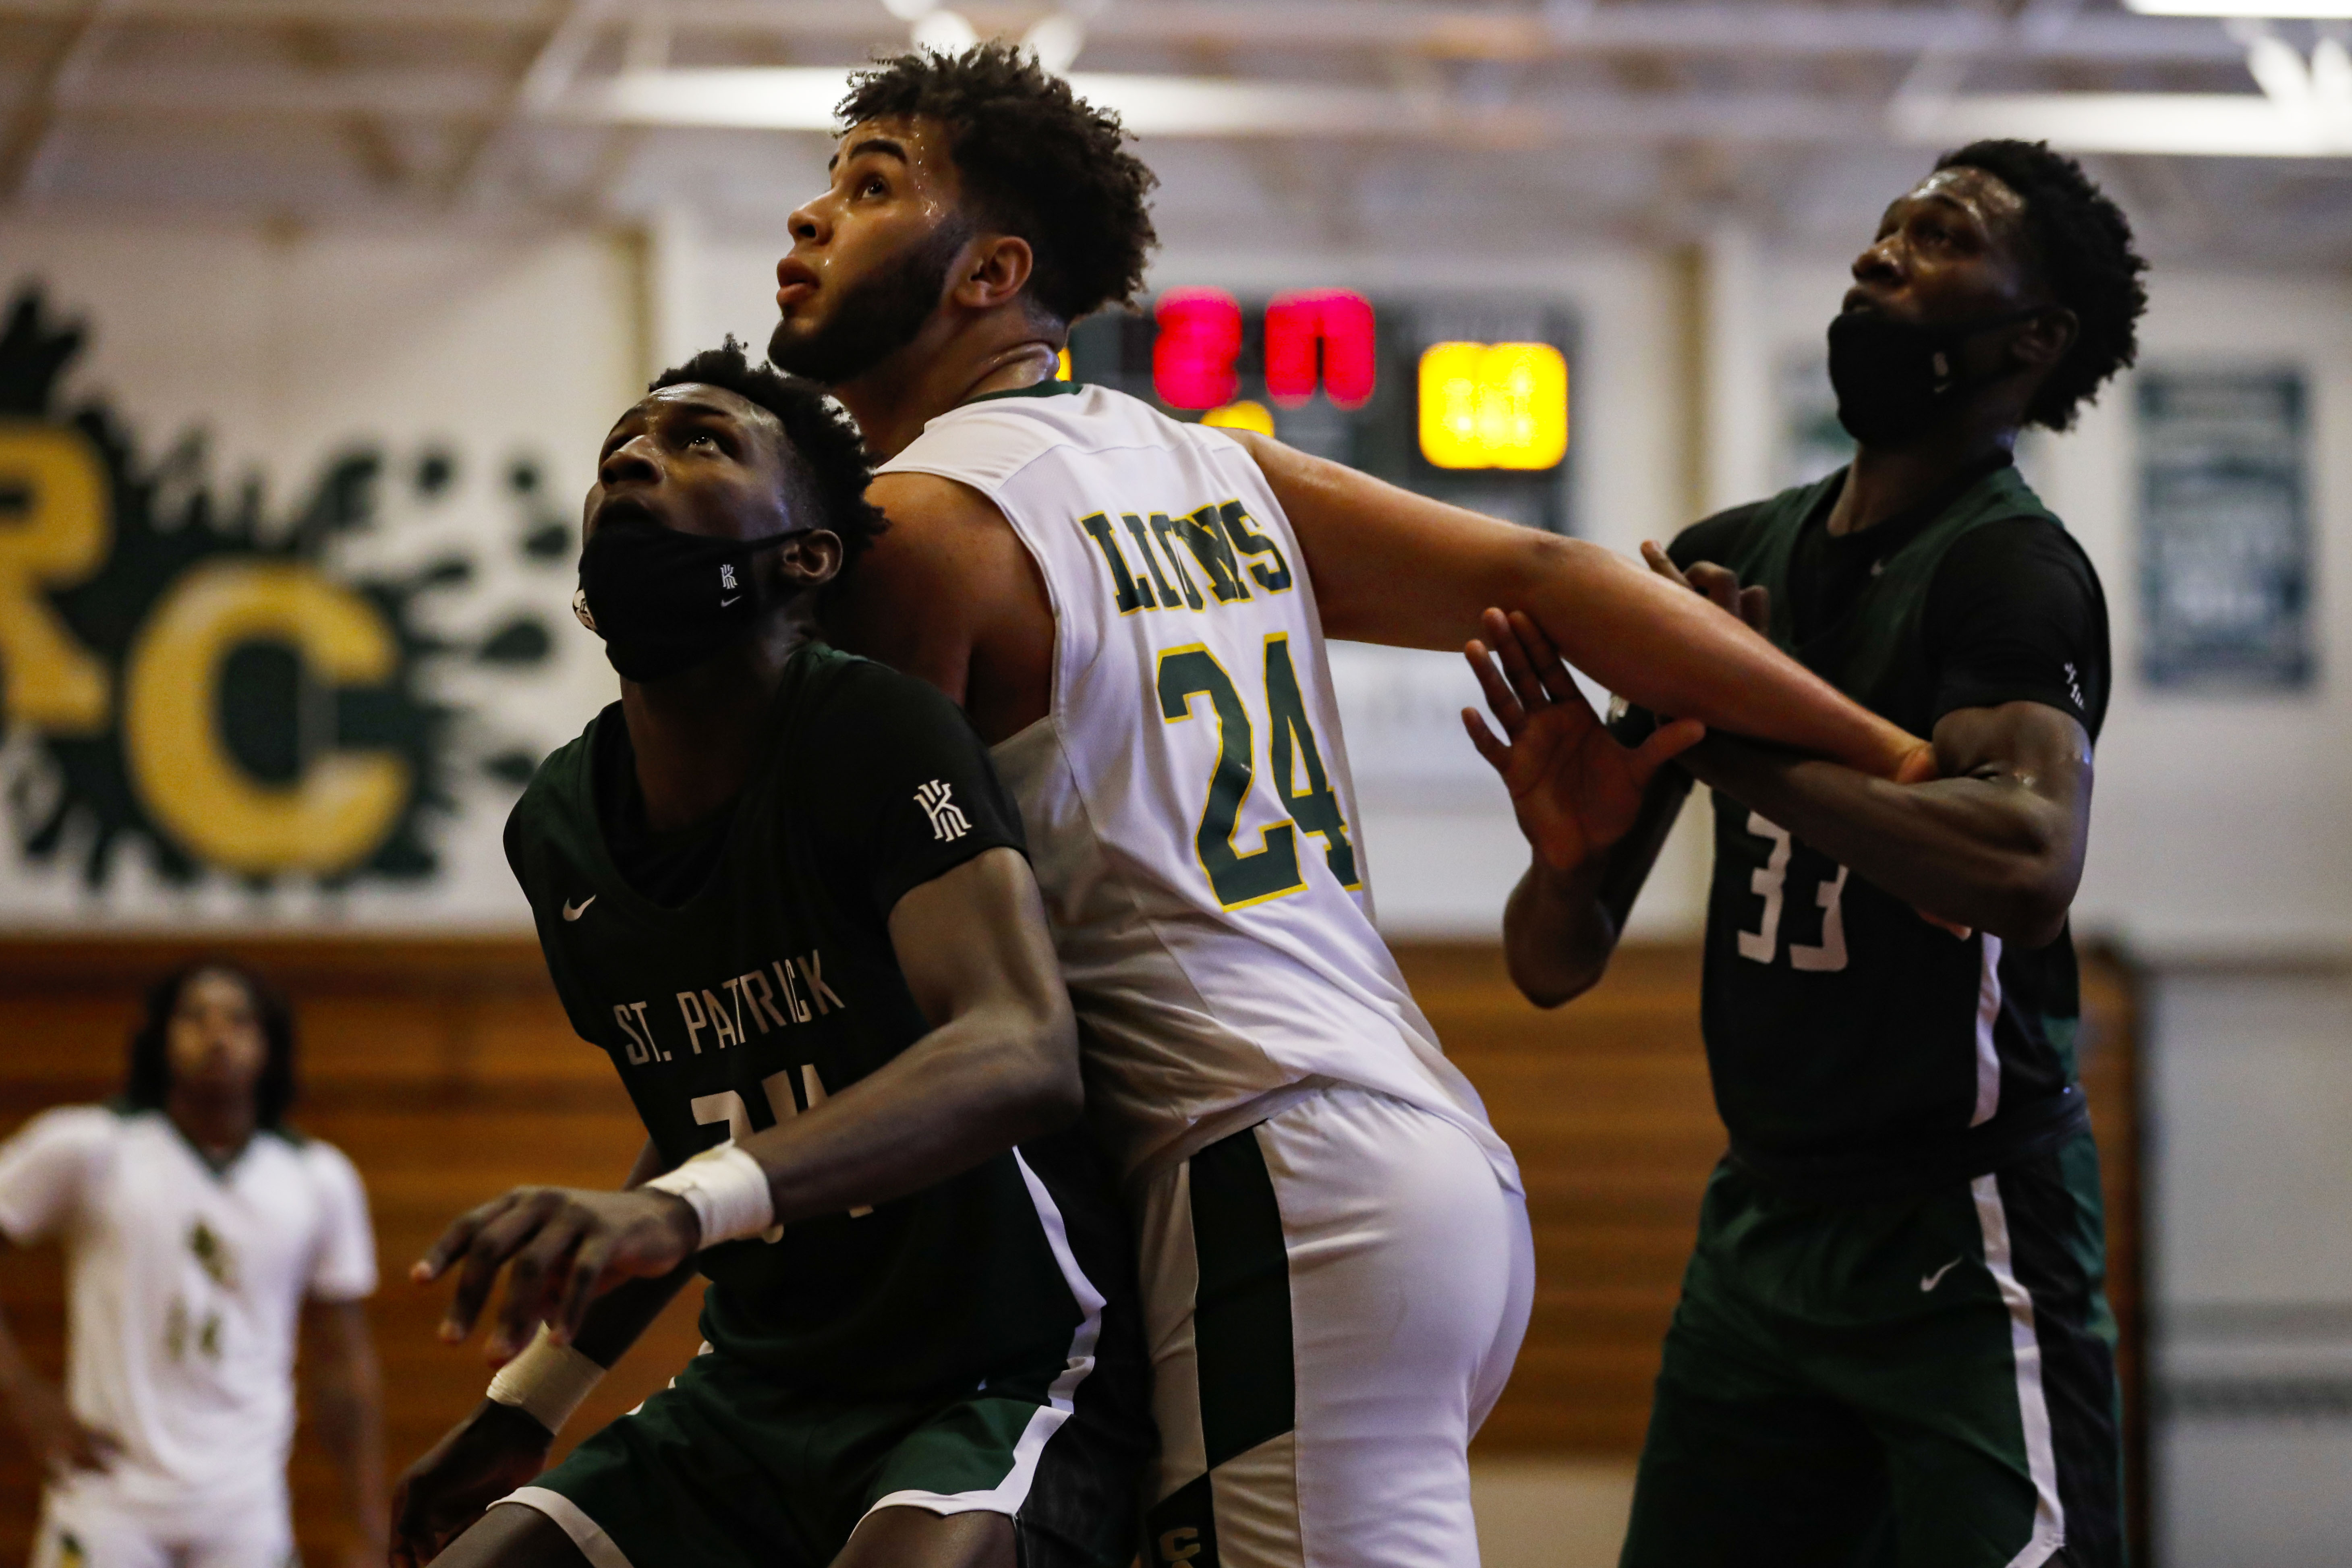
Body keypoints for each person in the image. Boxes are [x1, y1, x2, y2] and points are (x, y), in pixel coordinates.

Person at [775, 44, 1933, 1568]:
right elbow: (1550, 576)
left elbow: (865, 962)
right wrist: (1897, 759)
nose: (807, 221)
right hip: (1391, 1153)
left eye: (867, 190)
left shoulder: (914, 529)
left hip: (1264, 1179)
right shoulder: (1209, 467)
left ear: (992, 271)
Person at [1466, 139, 2142, 1568]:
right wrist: (1566, 857)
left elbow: (2024, 864)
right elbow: (1549, 967)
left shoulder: (2011, 569)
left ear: (2035, 337)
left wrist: (1732, 745)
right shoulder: (1731, 558)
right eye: (1885, 225)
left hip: (1963, 1218)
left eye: (1940, 235)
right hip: (1764, 1222)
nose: (1878, 253)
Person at [389, 343, 1152, 1568]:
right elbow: (706, 1133)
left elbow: (1024, 1048)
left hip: (996, 1372)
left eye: (701, 443)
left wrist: (673, 1209)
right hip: (757, 1388)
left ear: (807, 554)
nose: (634, 457)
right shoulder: (560, 826)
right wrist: (521, 1404)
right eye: (618, 451)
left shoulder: (875, 727)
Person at [0, 960, 385, 1568]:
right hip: (107, 1497)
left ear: (270, 1043)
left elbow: (344, 1364)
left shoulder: (318, 1178)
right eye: (194, 1016)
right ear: (159, 1036)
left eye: (239, 1019)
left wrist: (369, 1520)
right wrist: (23, 1393)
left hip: (244, 1503)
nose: (217, 1034)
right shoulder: (90, 1146)